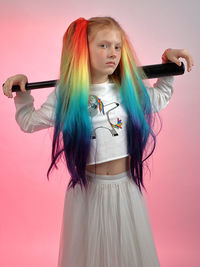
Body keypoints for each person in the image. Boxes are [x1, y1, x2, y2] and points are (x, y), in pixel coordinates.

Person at [2, 16, 194, 267]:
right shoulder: (68, 95)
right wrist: (21, 93)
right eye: (103, 45)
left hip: (124, 189)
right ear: (84, 49)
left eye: (117, 46)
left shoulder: (128, 88)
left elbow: (159, 98)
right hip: (88, 192)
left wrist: (168, 59)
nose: (112, 53)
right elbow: (29, 122)